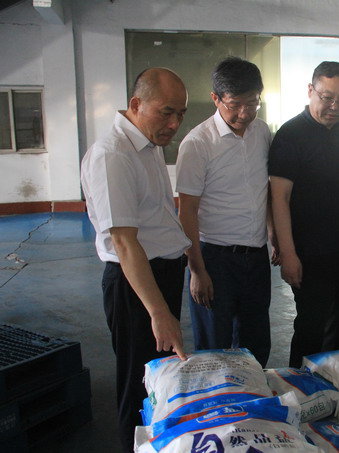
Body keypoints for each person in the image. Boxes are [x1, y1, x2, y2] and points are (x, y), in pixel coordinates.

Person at [80, 67, 191, 453]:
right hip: (135, 285)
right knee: (138, 383)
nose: (174, 124)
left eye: (180, 114)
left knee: (158, 379)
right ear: (136, 104)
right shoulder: (113, 155)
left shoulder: (147, 143)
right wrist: (159, 312)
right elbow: (125, 243)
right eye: (166, 112)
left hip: (158, 275)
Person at [269, 61, 339, 368]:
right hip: (311, 253)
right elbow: (279, 198)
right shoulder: (291, 135)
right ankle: (301, 386)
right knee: (311, 327)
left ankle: (335, 382)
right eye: (327, 97)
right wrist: (288, 253)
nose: (335, 106)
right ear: (310, 90)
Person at [176, 56, 276, 368]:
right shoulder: (197, 144)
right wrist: (197, 270)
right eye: (235, 105)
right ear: (216, 98)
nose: (245, 113)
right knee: (214, 346)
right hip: (214, 258)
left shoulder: (262, 132)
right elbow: (187, 211)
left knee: (256, 343)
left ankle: (253, 394)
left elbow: (265, 189)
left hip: (255, 257)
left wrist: (272, 233)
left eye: (253, 103)